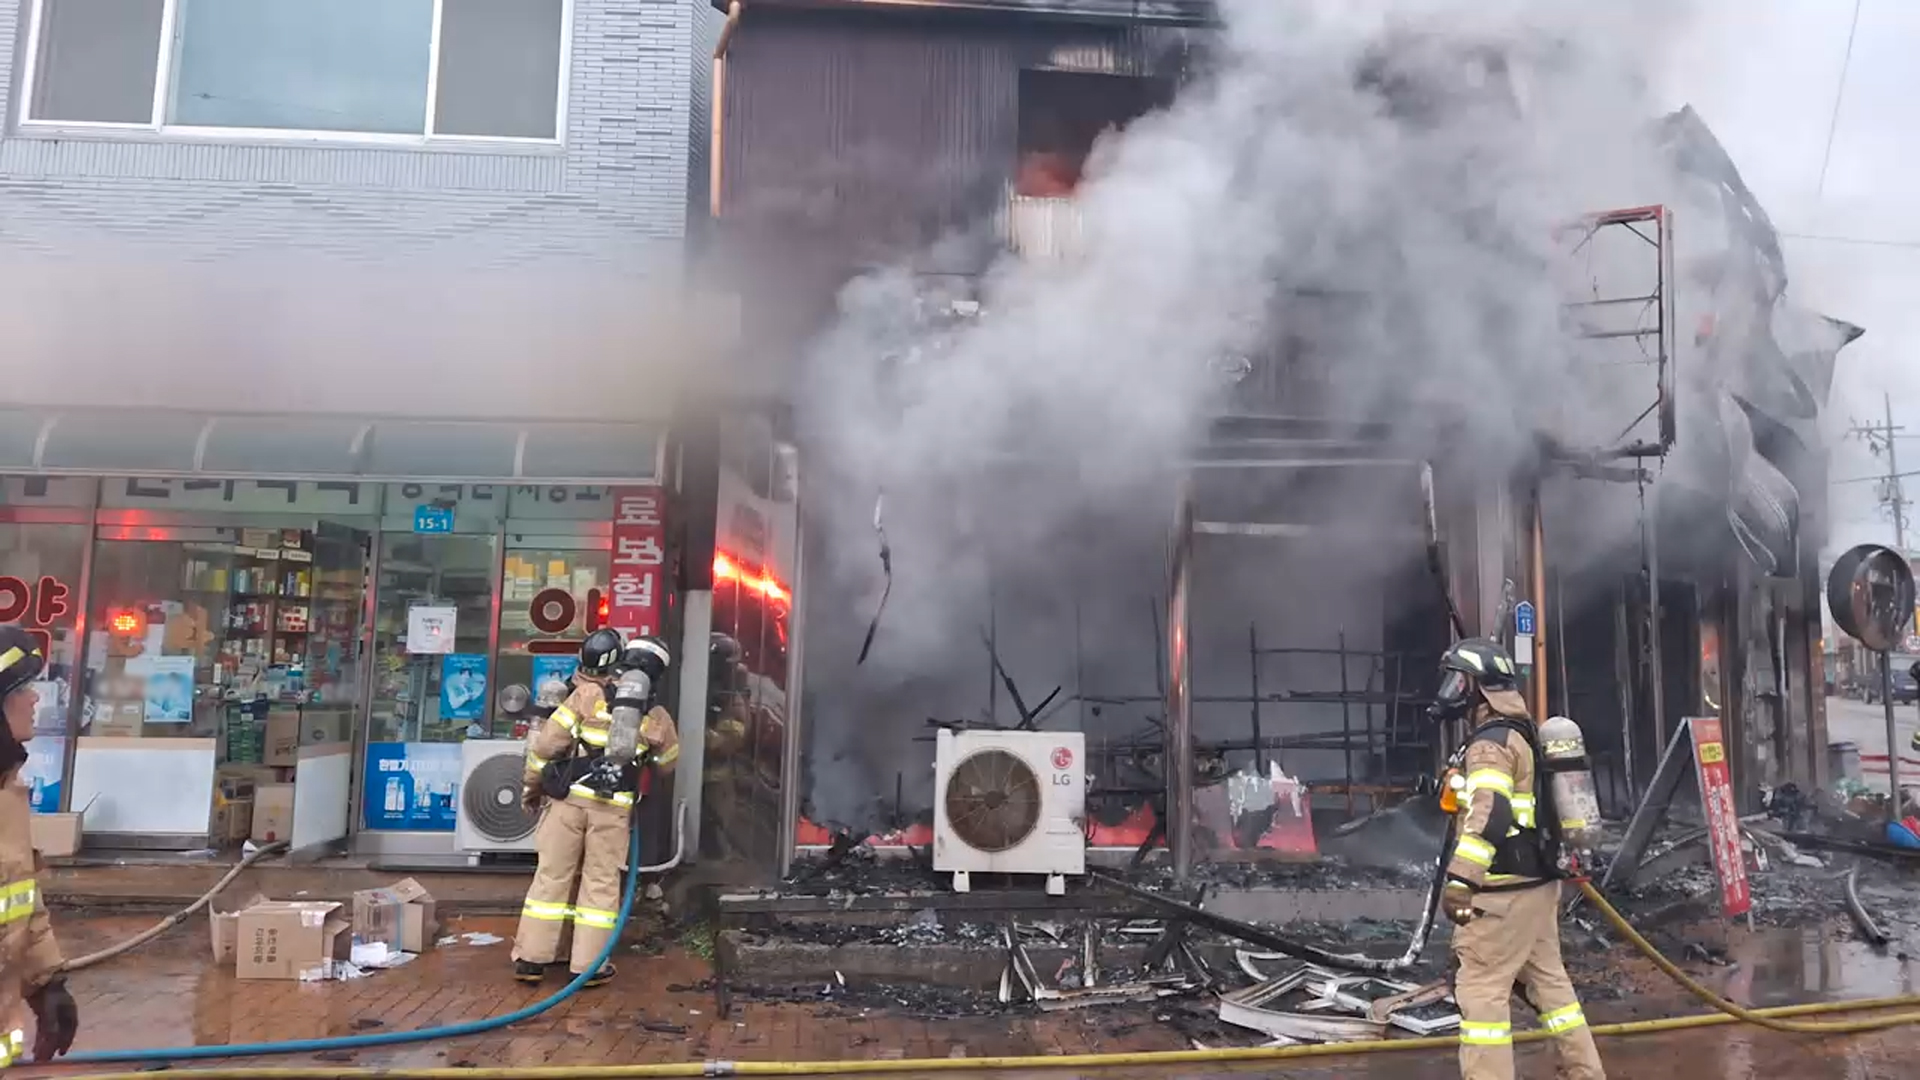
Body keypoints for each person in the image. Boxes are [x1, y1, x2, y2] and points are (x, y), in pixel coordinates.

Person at [1431, 637, 1603, 1080]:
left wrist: (1462, 880)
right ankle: (1586, 1073)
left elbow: (1491, 811)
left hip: (1501, 895)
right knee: (1553, 991)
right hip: (1537, 889)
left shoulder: (1490, 744)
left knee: (1482, 996)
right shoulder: (1522, 732)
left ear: (1476, 687)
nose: (1451, 690)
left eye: (1457, 680)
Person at [510, 628, 679, 986]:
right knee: (600, 885)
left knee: (551, 877)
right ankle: (588, 968)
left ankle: (532, 960)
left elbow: (545, 747)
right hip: (612, 811)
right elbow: (667, 765)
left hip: (568, 803)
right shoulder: (658, 716)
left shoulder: (586, 695)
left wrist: (531, 790)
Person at [0, 625, 79, 1065]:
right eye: (20, 689)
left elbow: (16, 900)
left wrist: (46, 983)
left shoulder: (7, 794)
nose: (34, 699)